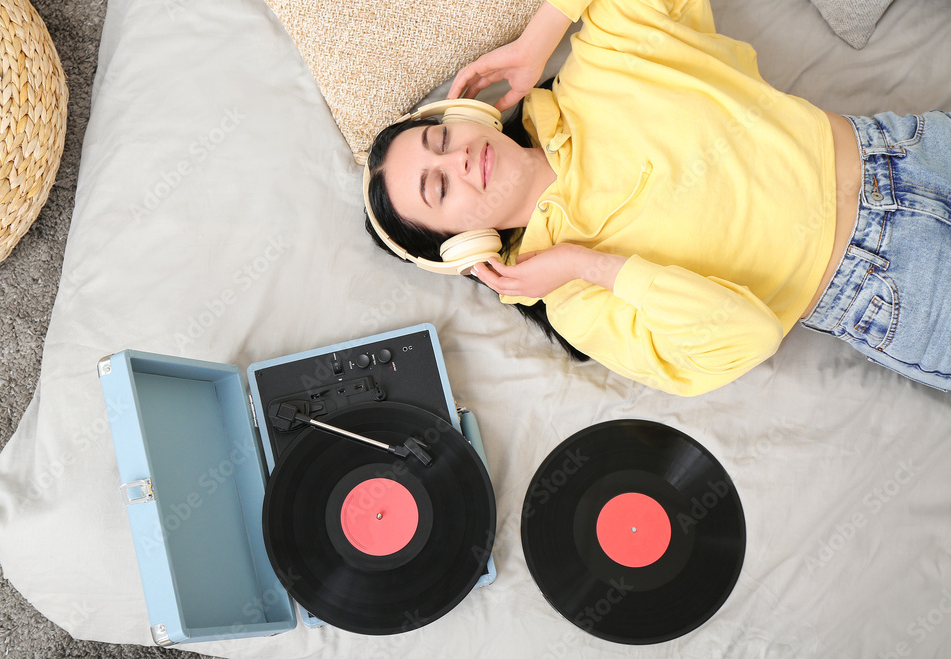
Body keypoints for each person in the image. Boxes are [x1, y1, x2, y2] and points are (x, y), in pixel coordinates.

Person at [364, 0, 951, 396]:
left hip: (908, 147)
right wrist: (592, 266)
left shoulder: (600, 65)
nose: (458, 158)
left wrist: (539, 36)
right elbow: (746, 339)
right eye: (438, 187)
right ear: (462, 246)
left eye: (441, 137)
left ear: (466, 114)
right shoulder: (576, 301)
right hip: (889, 286)